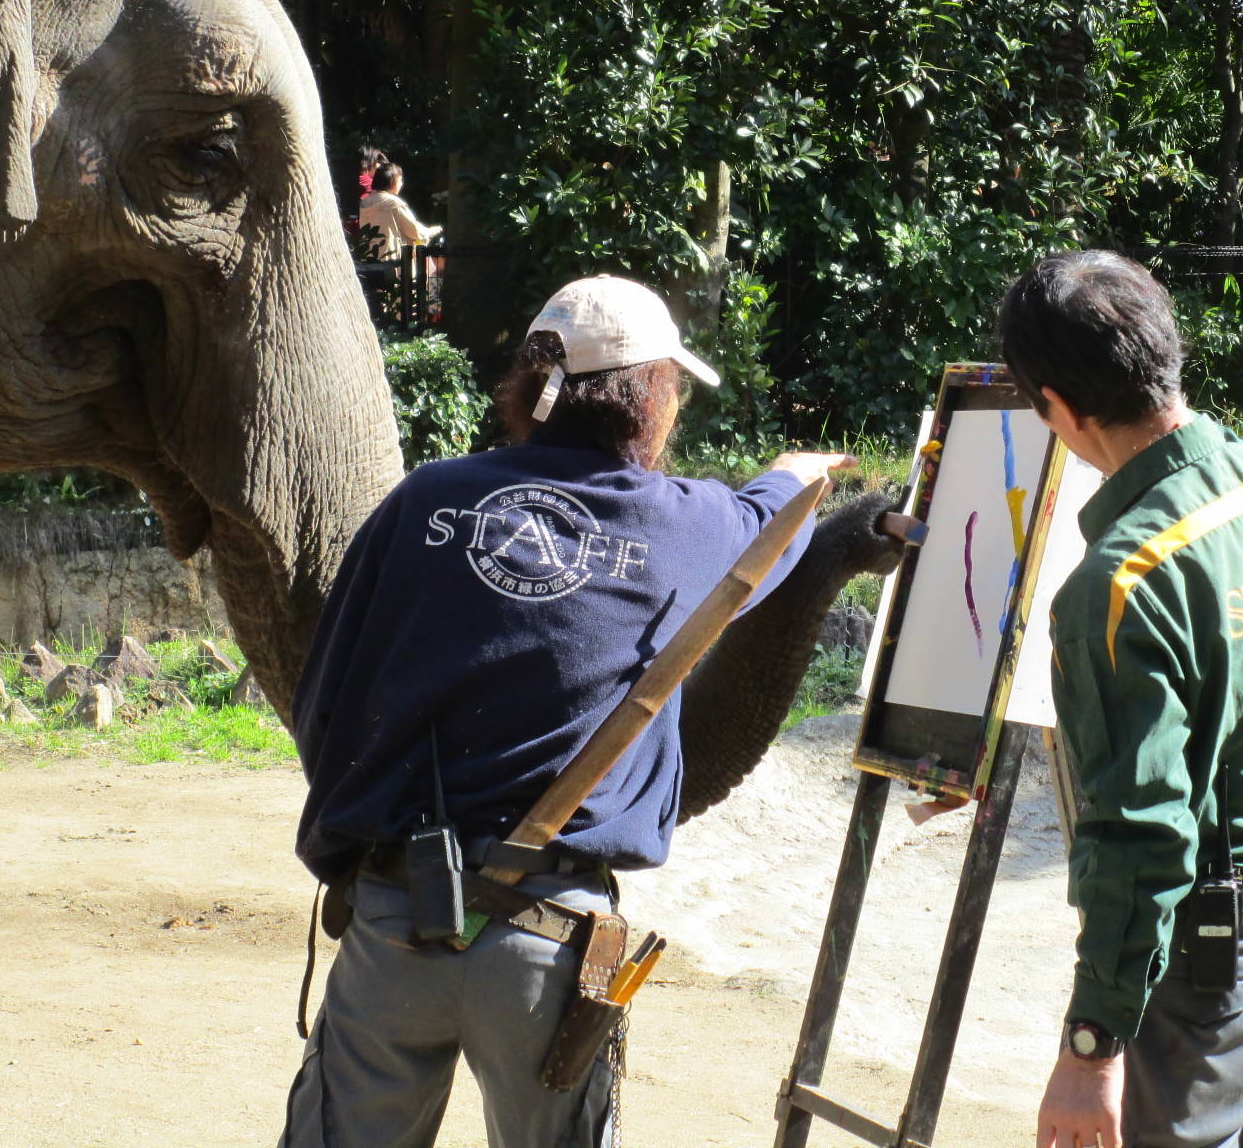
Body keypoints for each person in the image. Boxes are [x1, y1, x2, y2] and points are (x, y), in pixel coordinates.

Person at [282, 274, 852, 1148]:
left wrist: (356, 855)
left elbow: (324, 696)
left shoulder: (424, 499)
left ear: (530, 386)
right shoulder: (679, 523)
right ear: (649, 397)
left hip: (392, 918)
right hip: (549, 943)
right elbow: (765, 525)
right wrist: (797, 474)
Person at [999, 251, 1243, 1148]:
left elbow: (1141, 835)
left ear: (1060, 410)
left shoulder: (1119, 585)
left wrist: (1090, 1047)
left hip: (1203, 985)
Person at [357, 161, 441, 262]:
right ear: (391, 180)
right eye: (400, 180)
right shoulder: (394, 203)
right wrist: (431, 231)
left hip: (368, 258)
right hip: (392, 260)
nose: (401, 184)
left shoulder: (365, 202)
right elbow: (414, 230)